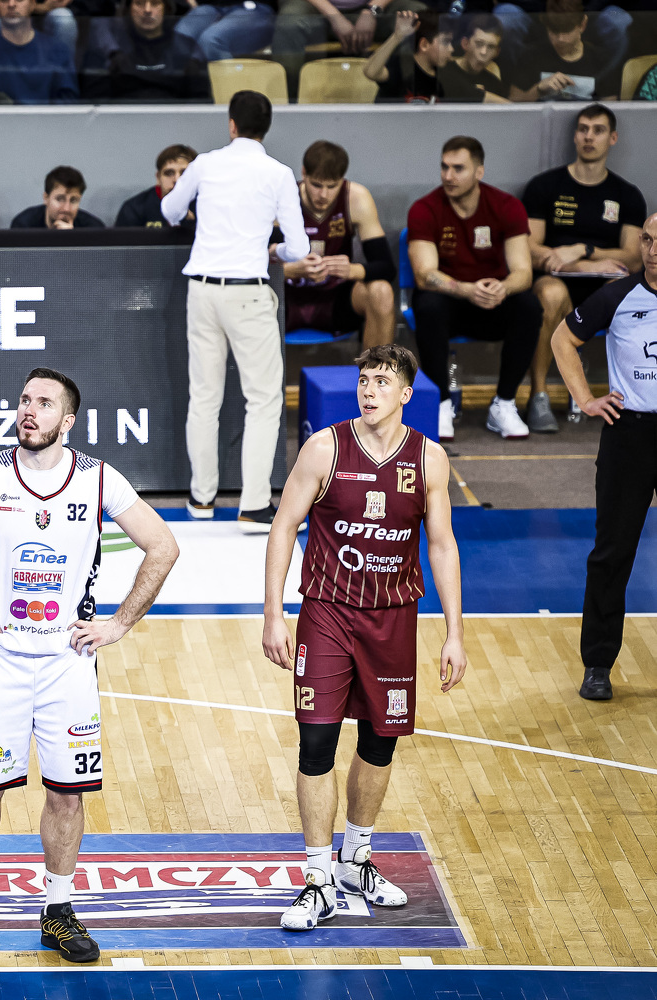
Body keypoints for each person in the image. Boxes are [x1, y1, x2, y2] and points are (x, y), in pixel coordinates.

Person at [0, 367, 181, 963]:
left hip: (67, 663)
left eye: (44, 403)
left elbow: (163, 545)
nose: (29, 410)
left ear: (68, 420)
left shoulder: (98, 479)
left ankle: (58, 908)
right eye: (25, 400)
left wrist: (118, 623)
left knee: (67, 795)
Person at [262, 344, 467, 933]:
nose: (369, 390)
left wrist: (454, 633)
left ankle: (356, 859)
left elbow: (442, 545)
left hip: (394, 618)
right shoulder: (325, 448)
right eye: (363, 380)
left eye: (381, 381)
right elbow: (284, 526)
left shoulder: (429, 459)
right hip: (327, 612)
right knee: (317, 742)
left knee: (380, 742)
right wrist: (274, 614)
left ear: (406, 394)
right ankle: (317, 878)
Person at [162, 90, 312, 528]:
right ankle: (254, 505)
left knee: (204, 397)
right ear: (266, 128)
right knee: (263, 400)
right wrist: (274, 249)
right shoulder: (278, 173)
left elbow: (170, 210)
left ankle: (201, 499)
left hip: (202, 290)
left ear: (231, 124)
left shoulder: (205, 164)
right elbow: (299, 247)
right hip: (248, 292)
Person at [551, 212, 657, 702]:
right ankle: (597, 663)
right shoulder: (617, 296)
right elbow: (562, 339)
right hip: (629, 436)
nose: (653, 250)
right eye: (648, 240)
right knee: (612, 552)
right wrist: (585, 399)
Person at [406, 135, 541, 441]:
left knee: (529, 306)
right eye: (444, 167)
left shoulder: (506, 206)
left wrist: (502, 288)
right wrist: (467, 289)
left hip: (493, 302)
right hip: (450, 302)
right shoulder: (425, 208)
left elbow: (523, 272)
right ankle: (441, 404)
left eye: (458, 168)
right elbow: (424, 275)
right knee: (427, 304)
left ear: (479, 171)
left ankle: (504, 404)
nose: (448, 176)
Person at [521, 104, 645, 432]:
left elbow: (633, 258)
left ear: (612, 138)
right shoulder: (544, 186)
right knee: (550, 294)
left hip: (604, 285)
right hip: (555, 280)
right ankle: (539, 396)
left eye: (598, 130)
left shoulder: (627, 195)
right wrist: (571, 263)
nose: (589, 137)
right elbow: (529, 248)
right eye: (583, 129)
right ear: (575, 136)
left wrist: (582, 251)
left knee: (625, 295)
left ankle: (633, 397)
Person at [284, 140, 396, 349]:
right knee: (245, 294)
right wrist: (291, 270)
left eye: (332, 186)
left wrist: (350, 270)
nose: (323, 195)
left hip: (336, 300)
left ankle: (375, 370)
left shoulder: (356, 198)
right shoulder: (284, 198)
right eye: (316, 185)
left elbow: (386, 267)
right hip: (286, 299)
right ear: (304, 174)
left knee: (382, 291)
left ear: (342, 180)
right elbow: (254, 266)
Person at [271, 0, 425, 96]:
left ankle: (409, 99)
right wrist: (335, 16)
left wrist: (372, 10)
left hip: (376, 7)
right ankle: (289, 103)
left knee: (418, 17)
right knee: (289, 23)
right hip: (315, 6)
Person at [82, 0, 211, 103]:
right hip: (121, 120)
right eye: (139, 3)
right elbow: (96, 100)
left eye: (155, 3)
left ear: (166, 9)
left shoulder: (185, 47)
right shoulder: (112, 50)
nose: (147, 10)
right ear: (129, 9)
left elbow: (199, 100)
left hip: (174, 121)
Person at [0, 0, 78, 105]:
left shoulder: (58, 50)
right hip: (1, 120)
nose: (11, 4)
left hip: (46, 120)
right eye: (4, 0)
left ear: (32, 4)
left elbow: (67, 102)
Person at [505, 0, 619, 102]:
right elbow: (513, 102)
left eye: (567, 31)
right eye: (554, 31)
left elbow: (610, 107)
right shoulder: (531, 56)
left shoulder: (601, 59)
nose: (561, 39)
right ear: (545, 26)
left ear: (582, 24)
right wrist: (538, 90)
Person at [362, 8, 451, 103]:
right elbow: (370, 72)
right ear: (424, 44)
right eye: (445, 42)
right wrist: (397, 36)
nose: (451, 48)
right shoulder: (401, 66)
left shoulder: (446, 75)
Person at [115, 144, 197, 233]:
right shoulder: (134, 209)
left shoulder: (205, 204)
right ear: (158, 177)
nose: (177, 179)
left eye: (184, 173)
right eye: (169, 173)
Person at [171, 0, 276, 63]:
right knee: (181, 35)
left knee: (211, 39)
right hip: (210, 6)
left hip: (253, 7)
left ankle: (229, 87)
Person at [438, 14, 511, 103]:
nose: (483, 52)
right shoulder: (443, 70)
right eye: (479, 43)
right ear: (465, 44)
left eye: (491, 47)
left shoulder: (495, 85)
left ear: (497, 52)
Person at [10, 166, 104, 229]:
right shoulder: (24, 225)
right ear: (46, 198)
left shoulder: (93, 229)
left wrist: (72, 238)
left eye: (73, 200)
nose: (66, 208)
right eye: (60, 199)